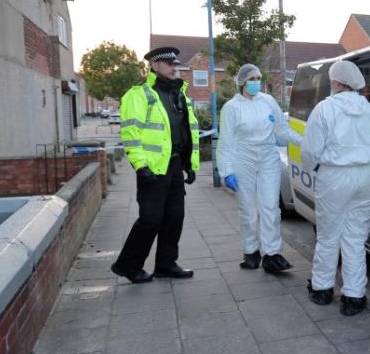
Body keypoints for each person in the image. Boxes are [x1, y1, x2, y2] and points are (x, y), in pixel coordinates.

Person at [111, 46, 200, 283]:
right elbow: (131, 133)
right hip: (152, 169)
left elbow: (186, 133)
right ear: (154, 65)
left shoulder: (180, 95)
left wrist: (190, 165)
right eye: (169, 64)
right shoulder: (138, 95)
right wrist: (141, 166)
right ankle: (128, 265)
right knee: (150, 220)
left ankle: (166, 265)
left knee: (174, 218)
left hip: (174, 166)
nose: (174, 68)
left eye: (176, 64)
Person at [301, 60, 370, 316]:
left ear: (336, 82)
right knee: (356, 237)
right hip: (365, 175)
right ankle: (354, 295)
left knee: (328, 234)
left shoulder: (325, 109)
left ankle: (323, 289)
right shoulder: (369, 110)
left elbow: (311, 150)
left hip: (335, 177)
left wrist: (313, 167)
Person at [217, 64, 302, 273]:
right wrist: (226, 171)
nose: (256, 83)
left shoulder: (269, 102)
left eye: (258, 78)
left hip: (267, 159)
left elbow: (283, 128)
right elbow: (225, 141)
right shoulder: (232, 108)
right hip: (243, 160)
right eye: (252, 79)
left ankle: (272, 254)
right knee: (248, 208)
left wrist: (305, 141)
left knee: (270, 207)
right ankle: (251, 251)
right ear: (242, 82)